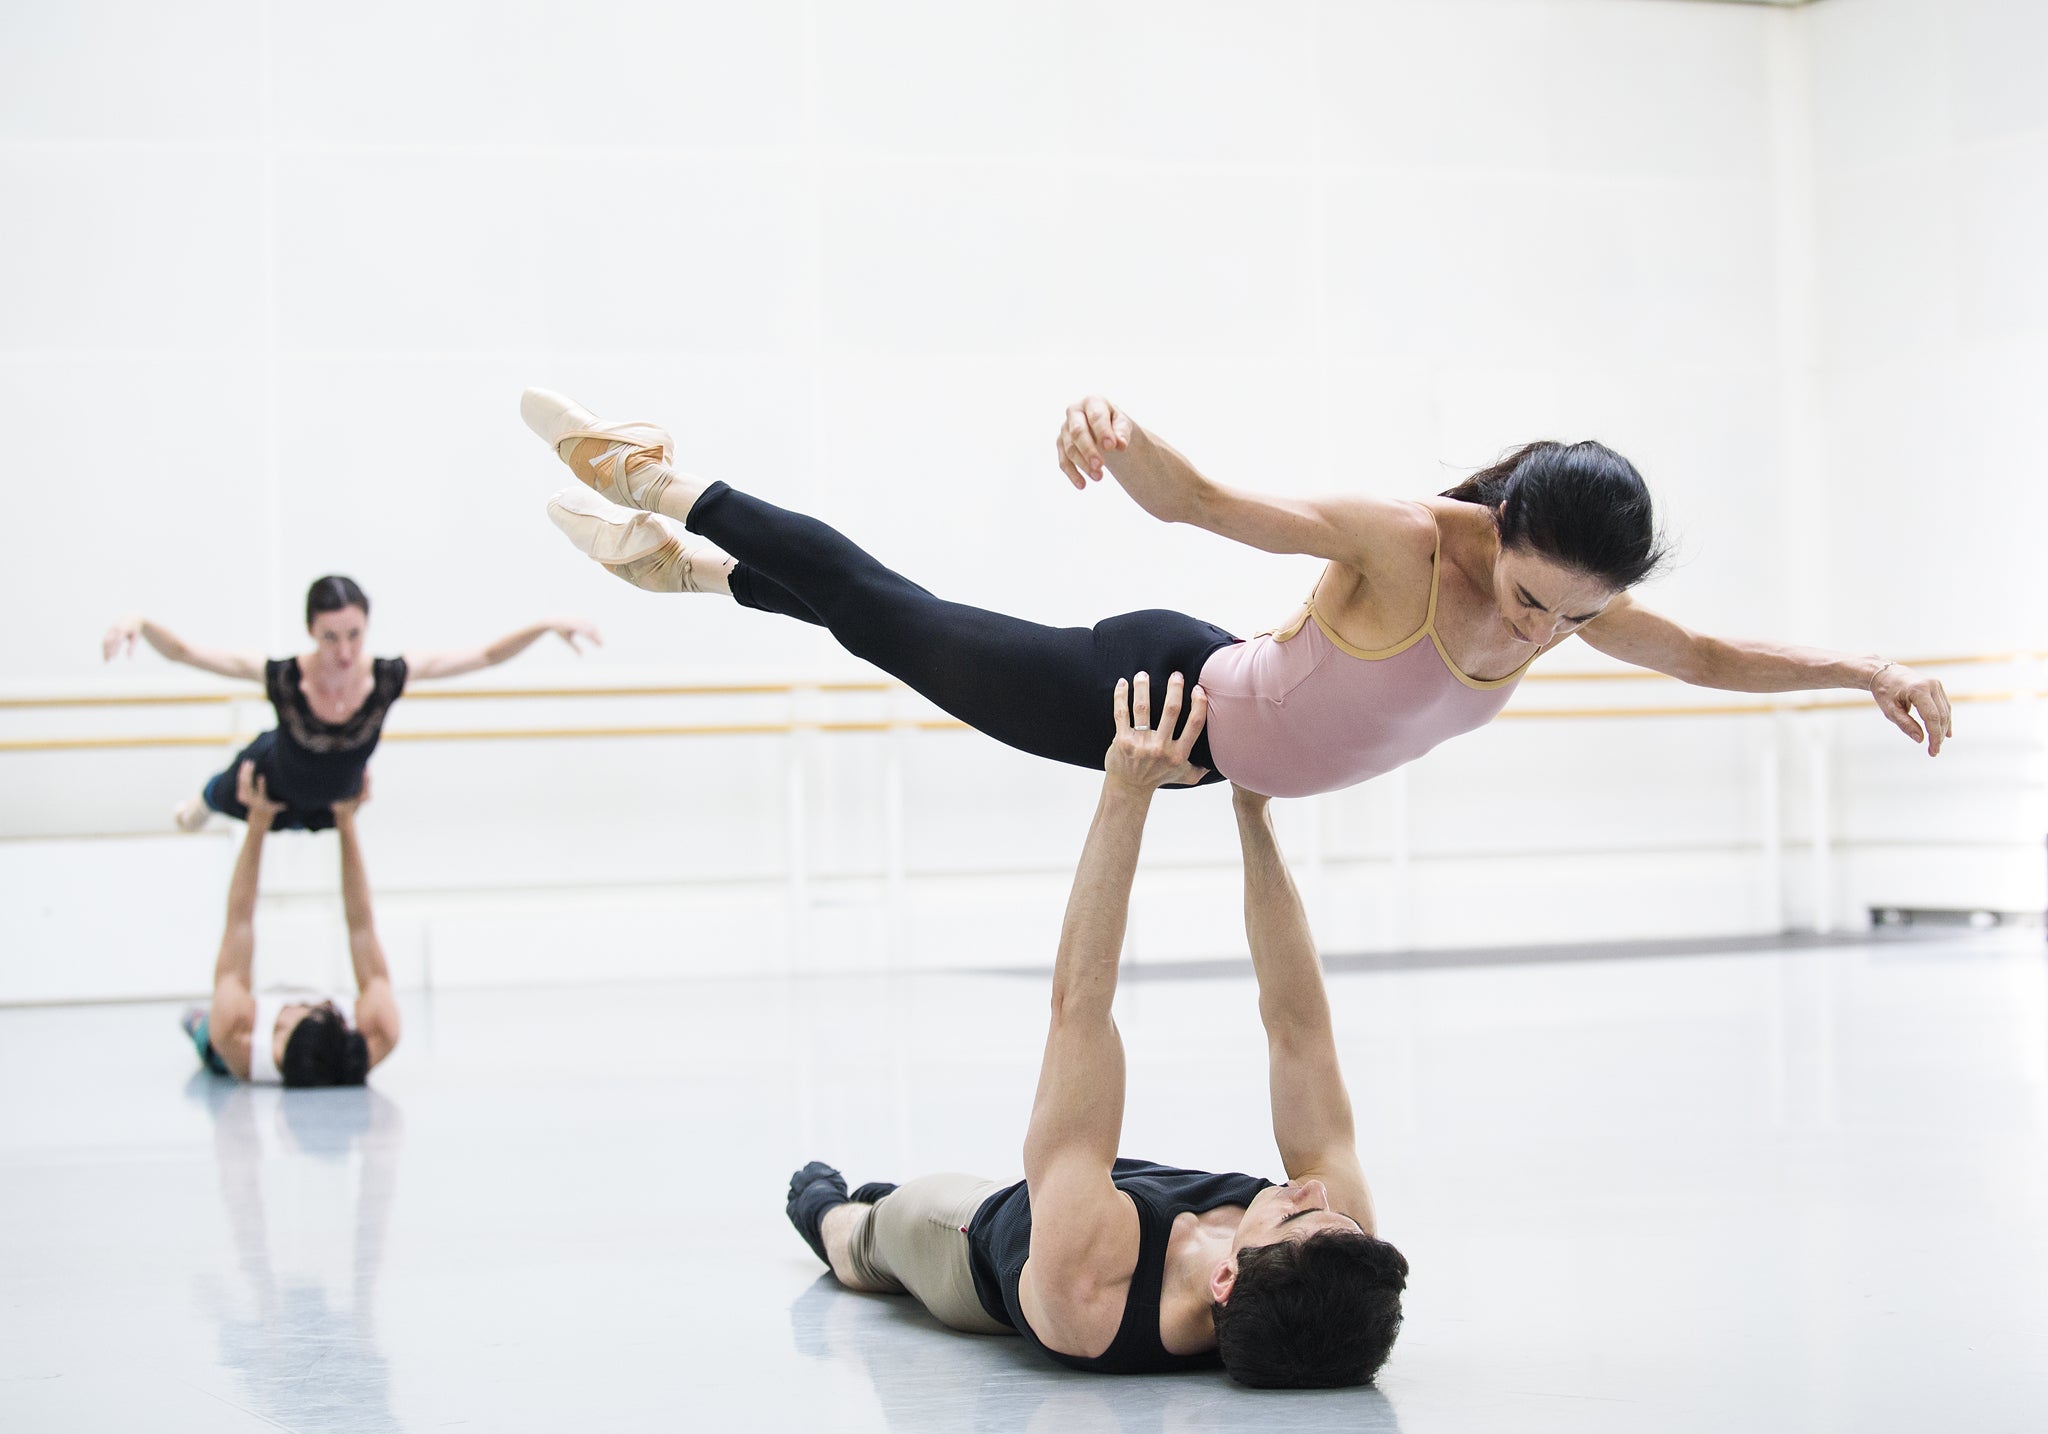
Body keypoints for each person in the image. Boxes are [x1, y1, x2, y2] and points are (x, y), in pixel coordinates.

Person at [521, 388, 1953, 800]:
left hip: (1215, 720)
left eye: (1572, 621)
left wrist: (1866, 666)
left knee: (889, 630)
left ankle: (698, 573)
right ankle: (670, 484)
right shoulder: (1403, 542)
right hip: (1157, 701)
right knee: (893, 615)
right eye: (1529, 597)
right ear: (1498, 527)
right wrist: (1124, 442)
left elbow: (1702, 652)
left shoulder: (1568, 604)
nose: (1540, 635)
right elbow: (1213, 507)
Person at [785, 673, 1407, 1387]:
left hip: (981, 1237)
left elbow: (1079, 1006)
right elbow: (1299, 1027)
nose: (1315, 1195)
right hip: (1088, 1188)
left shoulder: (1090, 1280)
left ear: (1225, 1277)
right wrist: (1253, 807)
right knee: (1067, 1174)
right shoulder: (1331, 1243)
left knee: (864, 1239)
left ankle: (836, 1212)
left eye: (1297, 1216)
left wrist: (1127, 790)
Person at [104, 575, 601, 831]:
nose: (343, 652)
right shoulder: (283, 675)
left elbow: (485, 656)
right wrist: (139, 623)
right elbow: (188, 653)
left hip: (332, 801)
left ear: (367, 625)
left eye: (354, 635)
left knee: (331, 816)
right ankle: (201, 803)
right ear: (310, 632)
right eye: (330, 637)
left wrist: (544, 624)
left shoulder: (387, 675)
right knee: (222, 793)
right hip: (270, 780)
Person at [180, 763, 398, 1087]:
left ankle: (195, 1023)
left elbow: (239, 921)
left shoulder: (238, 1035)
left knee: (209, 1027)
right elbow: (361, 925)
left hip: (223, 1045)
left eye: (289, 1018)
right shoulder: (378, 1031)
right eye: (317, 1008)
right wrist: (345, 820)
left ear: (279, 1041)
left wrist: (258, 823)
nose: (299, 1004)